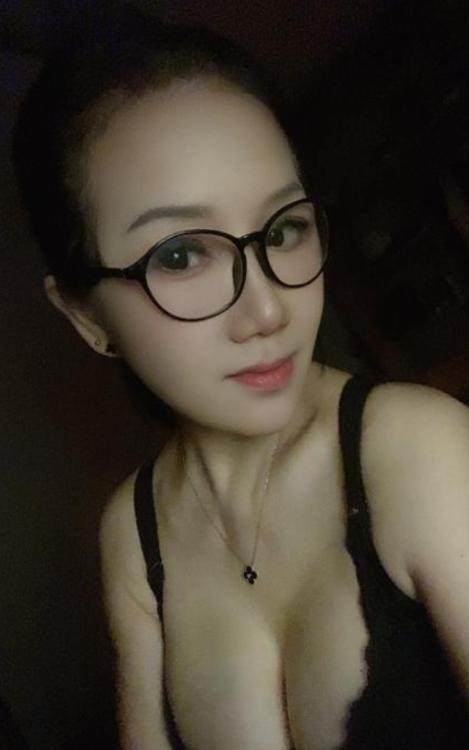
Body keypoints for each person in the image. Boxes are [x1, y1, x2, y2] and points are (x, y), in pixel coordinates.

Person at [12, 6, 469, 750]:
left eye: (283, 229)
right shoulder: (133, 533)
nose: (267, 309)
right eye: (180, 256)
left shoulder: (417, 448)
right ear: (86, 316)